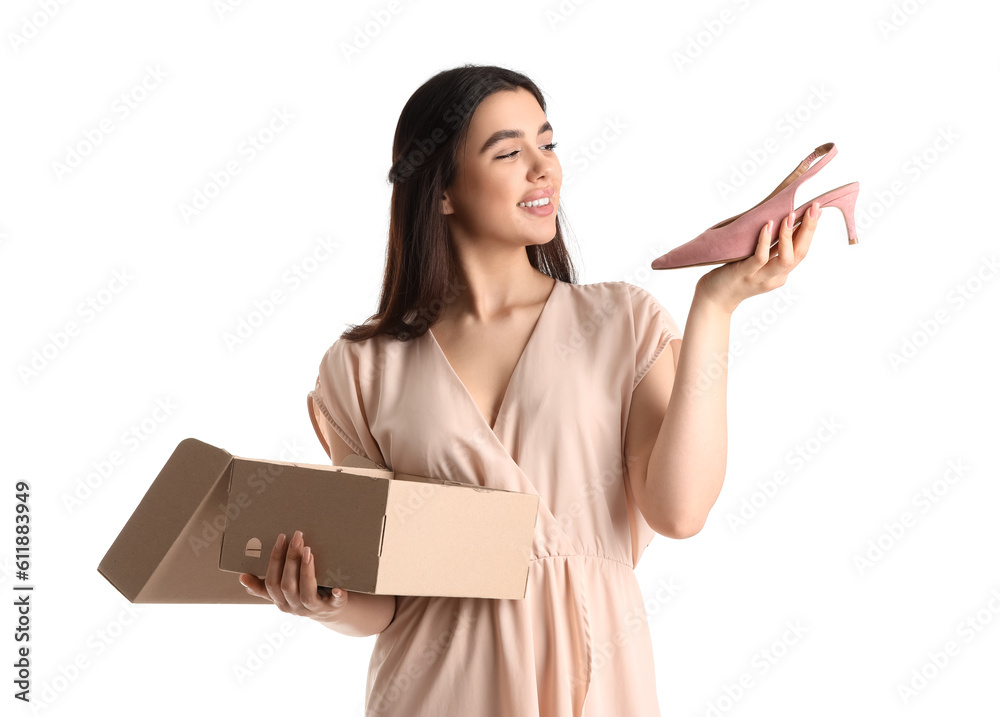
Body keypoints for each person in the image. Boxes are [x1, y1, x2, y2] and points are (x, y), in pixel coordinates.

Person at [238, 64, 825, 716]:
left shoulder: (620, 322)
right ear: (441, 191)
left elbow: (679, 511)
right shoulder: (361, 367)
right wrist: (326, 600)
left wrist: (715, 307)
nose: (544, 169)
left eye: (547, 144)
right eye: (510, 152)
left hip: (595, 682)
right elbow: (387, 594)